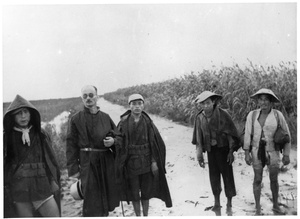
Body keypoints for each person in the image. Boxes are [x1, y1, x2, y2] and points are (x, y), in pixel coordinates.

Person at [66, 85, 121, 216]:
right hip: (87, 163)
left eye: (91, 95)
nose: (88, 98)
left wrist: (113, 141)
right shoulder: (75, 119)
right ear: (82, 99)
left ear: (97, 96)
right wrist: (74, 171)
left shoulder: (106, 117)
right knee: (91, 200)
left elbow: (118, 136)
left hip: (106, 162)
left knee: (107, 198)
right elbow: (71, 145)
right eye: (85, 96)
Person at [3, 94, 61, 217]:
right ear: (12, 116)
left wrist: (52, 180)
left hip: (41, 186)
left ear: (31, 114)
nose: (23, 116)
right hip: (19, 189)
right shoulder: (6, 137)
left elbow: (50, 161)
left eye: (25, 112)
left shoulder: (41, 134)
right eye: (18, 113)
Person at [115, 94, 172, 216]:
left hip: (147, 162)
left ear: (143, 105)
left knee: (146, 193)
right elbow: (118, 141)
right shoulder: (123, 123)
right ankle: (138, 216)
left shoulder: (148, 122)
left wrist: (154, 162)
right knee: (134, 193)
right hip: (131, 164)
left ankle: (145, 215)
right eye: (133, 104)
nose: (137, 106)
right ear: (129, 106)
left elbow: (156, 144)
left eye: (139, 103)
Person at [243, 88, 291, 215]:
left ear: (271, 102)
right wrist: (246, 153)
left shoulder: (277, 115)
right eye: (261, 99)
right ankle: (258, 208)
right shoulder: (252, 115)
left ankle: (275, 205)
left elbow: (287, 136)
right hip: (256, 151)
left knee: (274, 179)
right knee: (257, 179)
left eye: (266, 100)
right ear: (258, 101)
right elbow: (247, 135)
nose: (263, 102)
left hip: (273, 151)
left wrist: (286, 154)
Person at [191, 91, 240, 213]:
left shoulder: (223, 114)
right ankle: (217, 203)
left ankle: (229, 204)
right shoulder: (200, 117)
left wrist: (231, 151)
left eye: (208, 103)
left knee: (227, 177)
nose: (205, 106)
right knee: (214, 177)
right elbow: (198, 139)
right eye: (203, 104)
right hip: (210, 151)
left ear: (213, 102)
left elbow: (230, 134)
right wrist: (199, 157)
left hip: (223, 151)